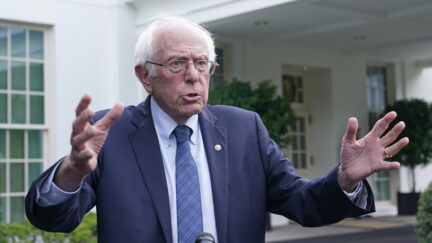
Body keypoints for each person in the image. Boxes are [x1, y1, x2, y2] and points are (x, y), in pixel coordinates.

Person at [25, 16, 409, 243]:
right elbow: (53, 220)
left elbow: (304, 204)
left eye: (203, 63)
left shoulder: (244, 129)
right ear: (145, 75)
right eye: (177, 64)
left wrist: (345, 180)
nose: (193, 77)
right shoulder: (112, 131)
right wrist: (72, 170)